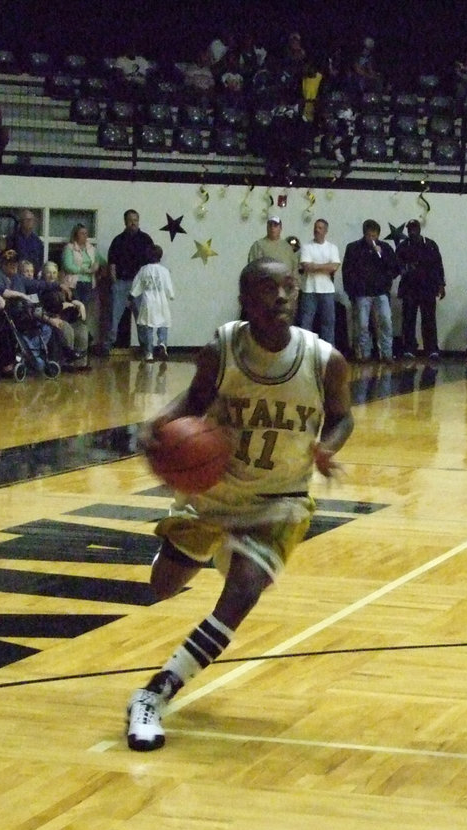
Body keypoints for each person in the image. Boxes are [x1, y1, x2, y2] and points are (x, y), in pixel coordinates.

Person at [124, 257, 354, 752]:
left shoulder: (323, 360)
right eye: (270, 290)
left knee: (243, 591)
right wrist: (157, 425)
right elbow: (193, 400)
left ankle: (154, 693)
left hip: (280, 500)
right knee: (163, 586)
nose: (283, 298)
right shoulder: (222, 348)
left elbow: (342, 417)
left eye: (290, 288)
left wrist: (328, 448)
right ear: (246, 301)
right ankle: (218, 544)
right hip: (214, 492)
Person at [341, 219, 399, 362]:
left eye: (375, 236)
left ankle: (387, 353)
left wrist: (382, 256)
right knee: (362, 324)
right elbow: (347, 271)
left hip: (381, 292)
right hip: (362, 293)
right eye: (369, 236)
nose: (372, 239)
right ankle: (364, 353)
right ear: (364, 234)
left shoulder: (385, 248)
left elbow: (395, 268)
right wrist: (351, 291)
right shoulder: (353, 248)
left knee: (386, 321)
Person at [105, 209, 155, 355]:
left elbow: (151, 264)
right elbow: (112, 263)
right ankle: (108, 346)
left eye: (135, 220)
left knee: (142, 319)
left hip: (140, 285)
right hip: (121, 283)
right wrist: (115, 283)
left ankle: (147, 350)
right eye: (130, 220)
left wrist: (148, 285)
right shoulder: (118, 240)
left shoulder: (146, 240)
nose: (133, 223)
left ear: (138, 221)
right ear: (125, 222)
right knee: (114, 317)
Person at [396, 219, 445, 360]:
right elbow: (397, 267)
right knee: (408, 320)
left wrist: (441, 285)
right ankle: (409, 349)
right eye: (410, 229)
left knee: (429, 320)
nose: (412, 231)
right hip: (409, 289)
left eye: (414, 228)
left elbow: (438, 266)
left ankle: (432, 349)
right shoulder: (403, 247)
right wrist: (405, 268)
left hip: (428, 288)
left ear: (419, 229)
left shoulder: (430, 245)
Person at [298, 218, 341, 345]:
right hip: (309, 289)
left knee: (328, 323)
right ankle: (305, 351)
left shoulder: (332, 247)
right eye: (315, 227)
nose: (317, 230)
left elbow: (334, 267)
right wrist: (326, 266)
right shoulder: (306, 247)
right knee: (306, 324)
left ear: (326, 231)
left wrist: (315, 266)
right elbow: (306, 266)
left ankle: (328, 352)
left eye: (320, 228)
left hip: (327, 290)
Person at [129, 244, 175, 362]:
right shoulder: (164, 271)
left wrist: (132, 295)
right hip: (161, 301)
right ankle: (162, 343)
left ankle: (149, 353)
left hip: (148, 302)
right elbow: (168, 287)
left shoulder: (144, 270)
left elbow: (137, 285)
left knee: (148, 326)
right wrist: (171, 295)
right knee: (163, 323)